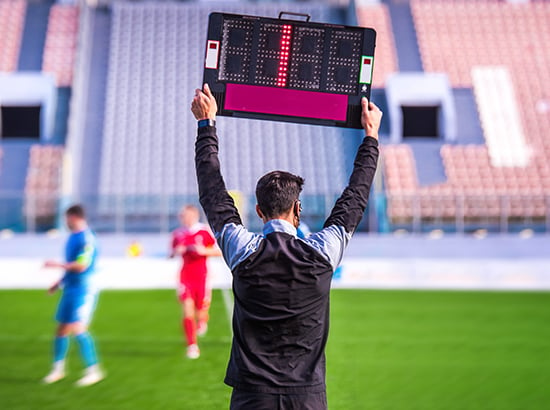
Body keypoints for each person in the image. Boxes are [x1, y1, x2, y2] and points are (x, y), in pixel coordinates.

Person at [191, 84, 382, 409]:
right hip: (306, 397)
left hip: (253, 397)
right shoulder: (322, 254)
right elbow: (355, 198)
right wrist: (371, 138)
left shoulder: (243, 251)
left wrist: (206, 125)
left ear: (259, 212)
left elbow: (213, 194)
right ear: (298, 210)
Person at [42, 204, 104, 386]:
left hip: (84, 289)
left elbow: (82, 265)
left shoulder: (87, 239)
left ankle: (94, 370)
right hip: (71, 288)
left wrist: (57, 265)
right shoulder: (72, 237)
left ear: (74, 217)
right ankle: (58, 369)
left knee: (78, 327)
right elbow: (72, 266)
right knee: (61, 328)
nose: (65, 222)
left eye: (66, 219)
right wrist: (59, 282)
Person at [170, 204, 221, 359]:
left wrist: (203, 251)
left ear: (195, 216)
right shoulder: (178, 234)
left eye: (189, 215)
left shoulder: (204, 231)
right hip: (185, 277)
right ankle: (192, 346)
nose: (186, 219)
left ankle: (202, 320)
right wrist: (176, 251)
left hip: (202, 277)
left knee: (201, 310)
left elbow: (219, 251)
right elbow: (171, 254)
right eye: (183, 216)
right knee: (187, 309)